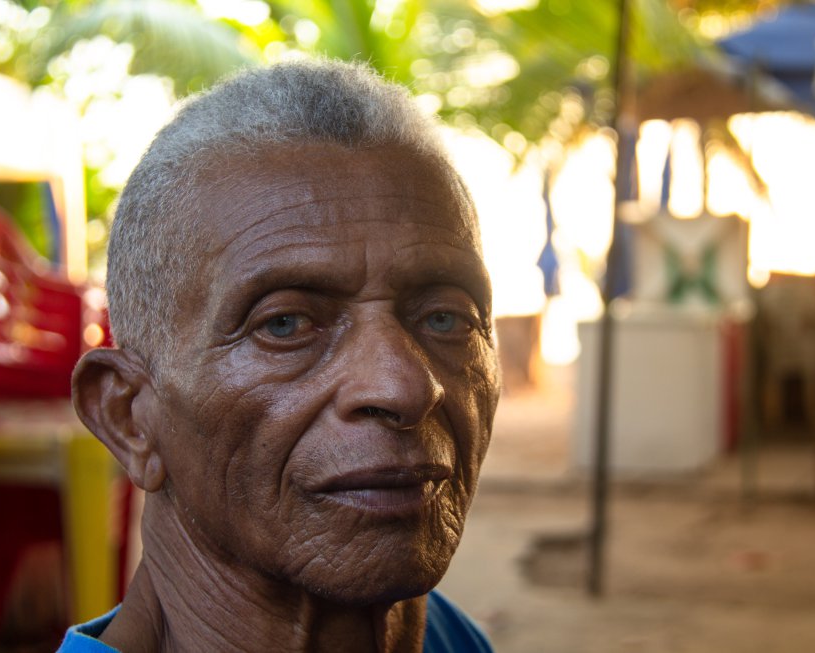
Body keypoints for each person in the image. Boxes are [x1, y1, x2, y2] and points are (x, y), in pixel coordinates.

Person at [61, 58, 500, 652]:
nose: (403, 388)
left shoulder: (449, 638)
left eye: (445, 318)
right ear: (129, 418)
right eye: (286, 324)